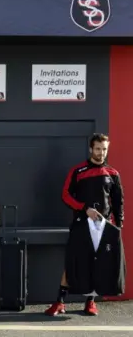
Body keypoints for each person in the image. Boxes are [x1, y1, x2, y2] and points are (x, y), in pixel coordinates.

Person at [45, 133, 124, 317]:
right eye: (98, 149)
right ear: (91, 149)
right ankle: (59, 302)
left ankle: (90, 303)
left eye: (104, 149)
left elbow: (118, 202)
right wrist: (84, 209)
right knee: (73, 261)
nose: (101, 153)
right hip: (81, 223)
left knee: (98, 265)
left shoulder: (113, 173)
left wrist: (118, 226)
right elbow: (65, 195)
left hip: (103, 226)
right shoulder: (77, 171)